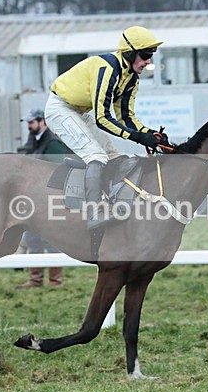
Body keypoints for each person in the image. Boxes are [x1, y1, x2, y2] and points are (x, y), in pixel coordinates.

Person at [45, 25, 167, 229]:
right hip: (60, 109)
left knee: (114, 156)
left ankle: (114, 201)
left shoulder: (131, 78)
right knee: (97, 157)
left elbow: (126, 117)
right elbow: (103, 118)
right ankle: (94, 213)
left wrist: (148, 133)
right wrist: (137, 138)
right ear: (129, 53)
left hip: (81, 111)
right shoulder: (108, 68)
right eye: (145, 55)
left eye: (151, 55)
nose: (148, 61)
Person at [17, 109, 72, 289]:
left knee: (50, 239)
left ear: (42, 122)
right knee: (32, 238)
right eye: (28, 123)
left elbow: (55, 171)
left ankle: (55, 281)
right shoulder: (33, 140)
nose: (29, 126)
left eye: (31, 122)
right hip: (34, 197)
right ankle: (35, 279)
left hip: (49, 199)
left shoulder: (53, 143)